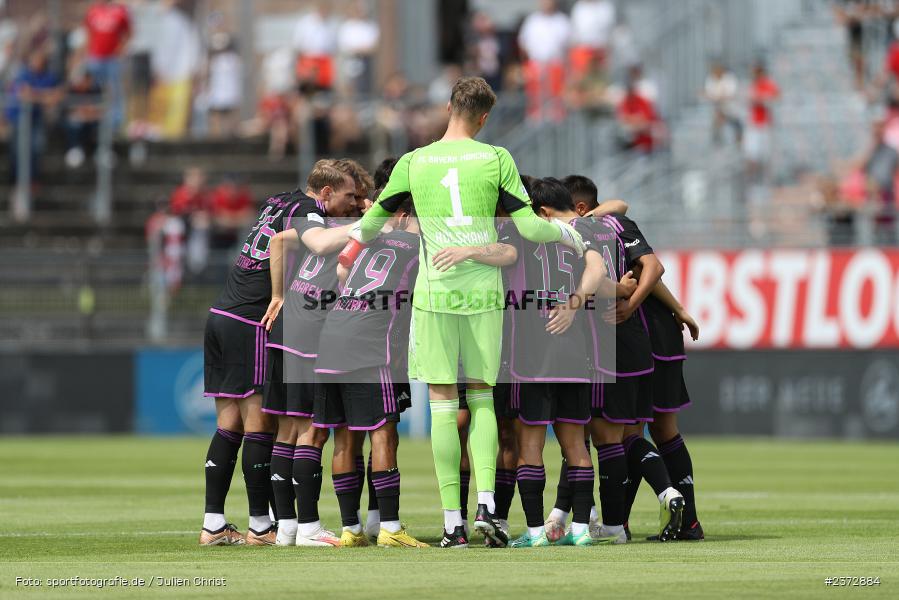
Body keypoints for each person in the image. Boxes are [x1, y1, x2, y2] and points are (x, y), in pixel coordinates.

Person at [354, 76, 586, 548]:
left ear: (447, 108)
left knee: (443, 405)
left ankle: (451, 524)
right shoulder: (496, 158)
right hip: (483, 295)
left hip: (435, 295)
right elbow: (531, 230)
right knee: (481, 399)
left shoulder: (413, 162)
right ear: (484, 117)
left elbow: (370, 226)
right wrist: (569, 234)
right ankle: (486, 505)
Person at [199, 166, 342, 547]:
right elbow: (301, 242)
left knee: (229, 425)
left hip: (221, 314)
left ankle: (213, 523)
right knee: (259, 426)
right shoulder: (309, 210)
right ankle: (261, 525)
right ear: (326, 193)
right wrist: (278, 294)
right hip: (251, 319)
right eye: (347, 197)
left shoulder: (278, 199)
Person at [504, 178, 633, 548]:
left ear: (541, 212)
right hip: (575, 350)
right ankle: (580, 530)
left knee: (530, 444)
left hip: (533, 349)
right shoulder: (582, 233)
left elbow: (503, 256)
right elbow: (599, 271)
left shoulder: (523, 233)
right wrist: (576, 303)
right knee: (576, 444)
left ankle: (534, 532)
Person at [313, 192, 427, 548]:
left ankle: (351, 529)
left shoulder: (368, 238)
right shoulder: (420, 246)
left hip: (332, 336)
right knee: (383, 433)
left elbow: (341, 270)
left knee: (344, 436)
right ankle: (390, 528)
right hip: (371, 345)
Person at [260, 160, 358, 547]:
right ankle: (309, 528)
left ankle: (286, 527)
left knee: (287, 430)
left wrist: (279, 294)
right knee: (311, 430)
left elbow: (278, 241)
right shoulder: (340, 225)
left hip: (287, 328)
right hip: (308, 333)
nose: (354, 202)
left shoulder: (321, 224)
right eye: (350, 195)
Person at [5, 49, 62, 185]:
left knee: (37, 148)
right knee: (17, 149)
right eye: (35, 59)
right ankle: (16, 179)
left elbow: (57, 95)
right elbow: (24, 93)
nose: (37, 62)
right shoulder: (23, 74)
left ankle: (33, 179)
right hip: (19, 117)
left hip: (36, 118)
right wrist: (44, 97)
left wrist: (36, 95)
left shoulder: (49, 76)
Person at [518, 0, 571, 122]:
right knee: (535, 100)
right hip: (535, 66)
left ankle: (556, 122)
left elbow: (569, 47)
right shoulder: (532, 21)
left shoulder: (562, 21)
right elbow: (523, 45)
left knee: (556, 102)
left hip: (556, 66)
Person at [83, 0, 131, 129]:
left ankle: (116, 122)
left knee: (115, 89)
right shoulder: (93, 11)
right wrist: (88, 51)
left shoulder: (120, 12)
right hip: (95, 57)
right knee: (94, 88)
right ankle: (94, 120)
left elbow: (128, 33)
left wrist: (121, 49)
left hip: (112, 58)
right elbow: (88, 33)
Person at [744, 62, 780, 179]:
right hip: (753, 123)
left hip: (764, 123)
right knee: (751, 153)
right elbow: (748, 99)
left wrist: (763, 99)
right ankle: (752, 179)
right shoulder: (752, 85)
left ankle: (766, 179)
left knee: (765, 154)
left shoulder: (768, 84)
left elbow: (776, 96)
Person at [569, 0, 616, 77]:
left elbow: (610, 31)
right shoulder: (579, 7)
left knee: (601, 79)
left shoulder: (606, 6)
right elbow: (575, 34)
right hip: (584, 52)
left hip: (601, 51)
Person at [703, 61, 741, 145]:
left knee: (735, 123)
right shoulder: (711, 79)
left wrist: (718, 96)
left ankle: (738, 139)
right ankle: (717, 140)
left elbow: (731, 94)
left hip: (730, 107)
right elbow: (709, 93)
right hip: (717, 106)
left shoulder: (729, 78)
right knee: (717, 122)